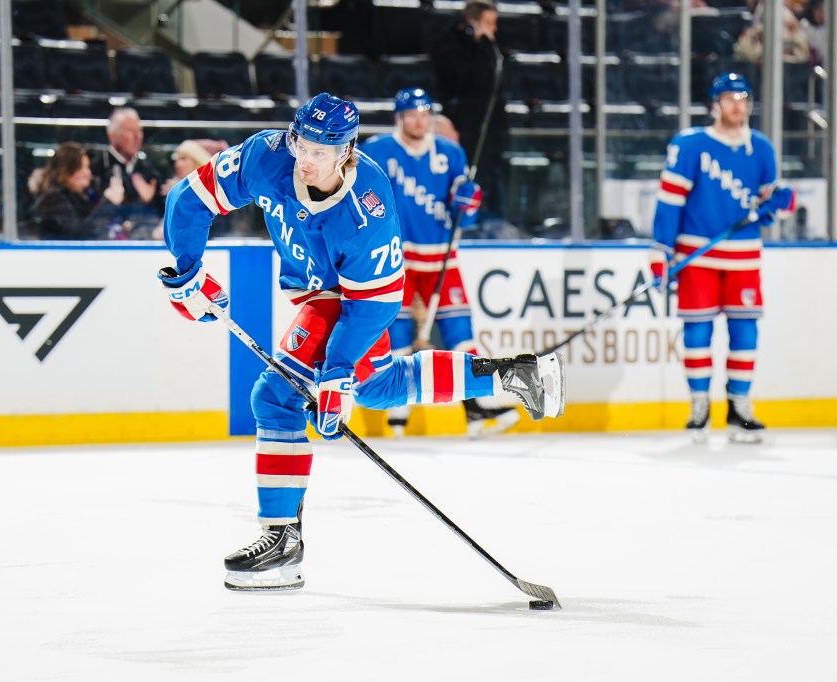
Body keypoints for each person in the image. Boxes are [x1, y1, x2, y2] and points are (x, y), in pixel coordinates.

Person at [156, 92, 566, 591]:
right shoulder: (267, 155)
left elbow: (373, 305)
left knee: (276, 396)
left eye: (320, 152)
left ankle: (282, 541)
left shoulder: (366, 209)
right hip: (314, 288)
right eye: (301, 145)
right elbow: (188, 197)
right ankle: (514, 374)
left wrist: (336, 371)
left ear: (345, 152)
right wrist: (186, 270)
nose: (305, 160)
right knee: (375, 386)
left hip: (353, 300)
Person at [360, 87, 519, 439]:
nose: (419, 121)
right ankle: (397, 410)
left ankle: (476, 405)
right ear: (399, 118)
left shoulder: (450, 152)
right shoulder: (375, 151)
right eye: (411, 115)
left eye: (424, 114)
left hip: (441, 258)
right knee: (396, 330)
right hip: (394, 259)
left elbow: (465, 210)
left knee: (460, 332)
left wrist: (469, 200)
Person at [649, 73, 794, 445]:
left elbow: (766, 207)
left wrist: (779, 206)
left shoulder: (761, 148)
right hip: (697, 254)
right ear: (715, 104)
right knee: (697, 331)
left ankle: (739, 407)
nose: (737, 105)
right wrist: (660, 252)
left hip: (744, 256)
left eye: (743, 98)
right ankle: (700, 407)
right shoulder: (690, 144)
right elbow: (669, 203)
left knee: (745, 330)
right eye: (729, 98)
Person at [431, 0, 505, 221]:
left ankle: (491, 219)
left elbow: (497, 83)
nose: (494, 29)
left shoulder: (489, 49)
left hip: (490, 125)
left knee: (492, 175)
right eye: (489, 23)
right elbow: (469, 80)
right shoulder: (450, 45)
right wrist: (481, 44)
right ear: (472, 23)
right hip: (463, 124)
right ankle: (466, 220)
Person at [89, 107, 161, 239]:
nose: (137, 136)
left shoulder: (149, 171)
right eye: (130, 131)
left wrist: (149, 200)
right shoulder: (95, 168)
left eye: (139, 131)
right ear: (112, 135)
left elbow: (159, 214)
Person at [30, 142, 125, 240]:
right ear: (65, 171)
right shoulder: (52, 201)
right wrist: (108, 204)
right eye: (80, 168)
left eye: (87, 167)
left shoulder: (84, 195)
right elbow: (78, 236)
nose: (88, 173)